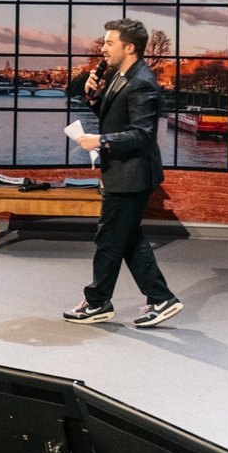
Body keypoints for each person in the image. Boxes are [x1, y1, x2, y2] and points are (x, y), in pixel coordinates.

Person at [63, 18, 182, 328]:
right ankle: (160, 298)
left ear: (129, 47)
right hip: (121, 172)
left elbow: (142, 134)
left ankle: (97, 301)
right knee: (127, 238)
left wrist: (100, 141)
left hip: (132, 175)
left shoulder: (143, 81)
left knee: (108, 239)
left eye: (109, 43)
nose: (103, 48)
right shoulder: (118, 75)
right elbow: (112, 116)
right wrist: (93, 97)